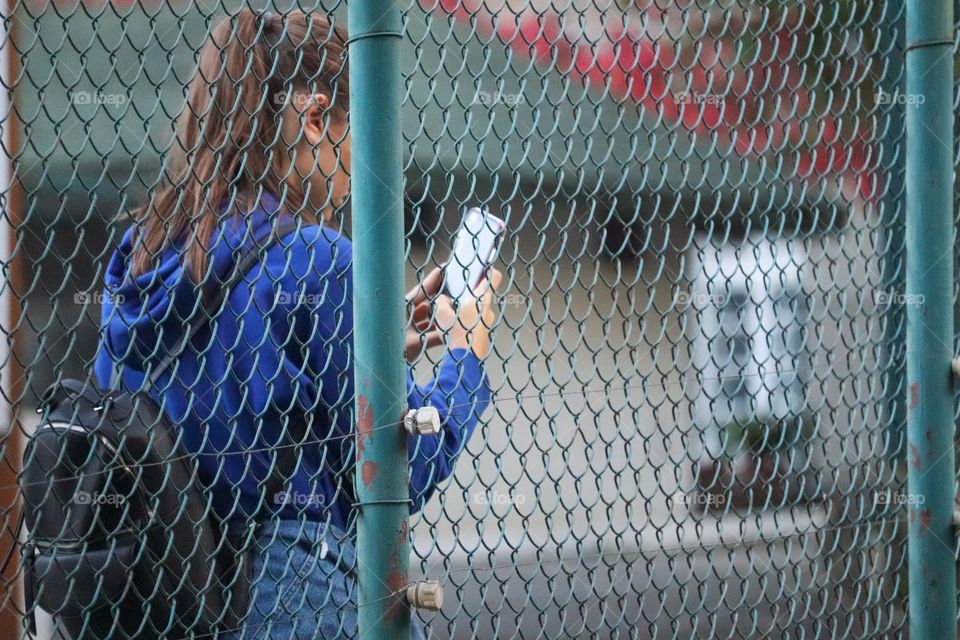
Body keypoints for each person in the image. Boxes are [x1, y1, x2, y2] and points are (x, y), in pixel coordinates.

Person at [94, 9, 500, 639]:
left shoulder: (144, 256)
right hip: (291, 589)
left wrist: (375, 341)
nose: (361, 168)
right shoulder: (318, 259)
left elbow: (236, 388)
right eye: (360, 131)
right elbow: (396, 474)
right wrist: (466, 360)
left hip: (162, 590)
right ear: (314, 119)